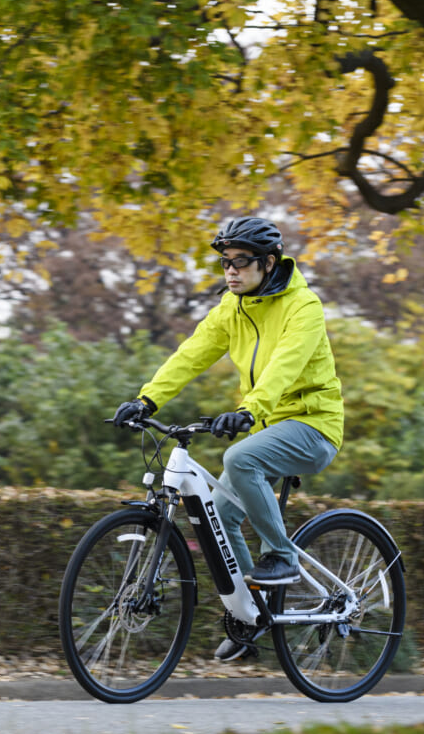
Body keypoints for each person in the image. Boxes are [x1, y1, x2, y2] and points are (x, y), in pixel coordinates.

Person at [112, 216, 344, 661]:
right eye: (225, 263)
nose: (231, 271)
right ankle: (251, 614)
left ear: (269, 263)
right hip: (266, 428)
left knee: (239, 458)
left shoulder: (303, 307)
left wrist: (248, 410)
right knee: (218, 512)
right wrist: (147, 400)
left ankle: (282, 555)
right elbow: (191, 354)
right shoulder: (231, 310)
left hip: (314, 426)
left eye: (242, 262)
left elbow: (286, 366)